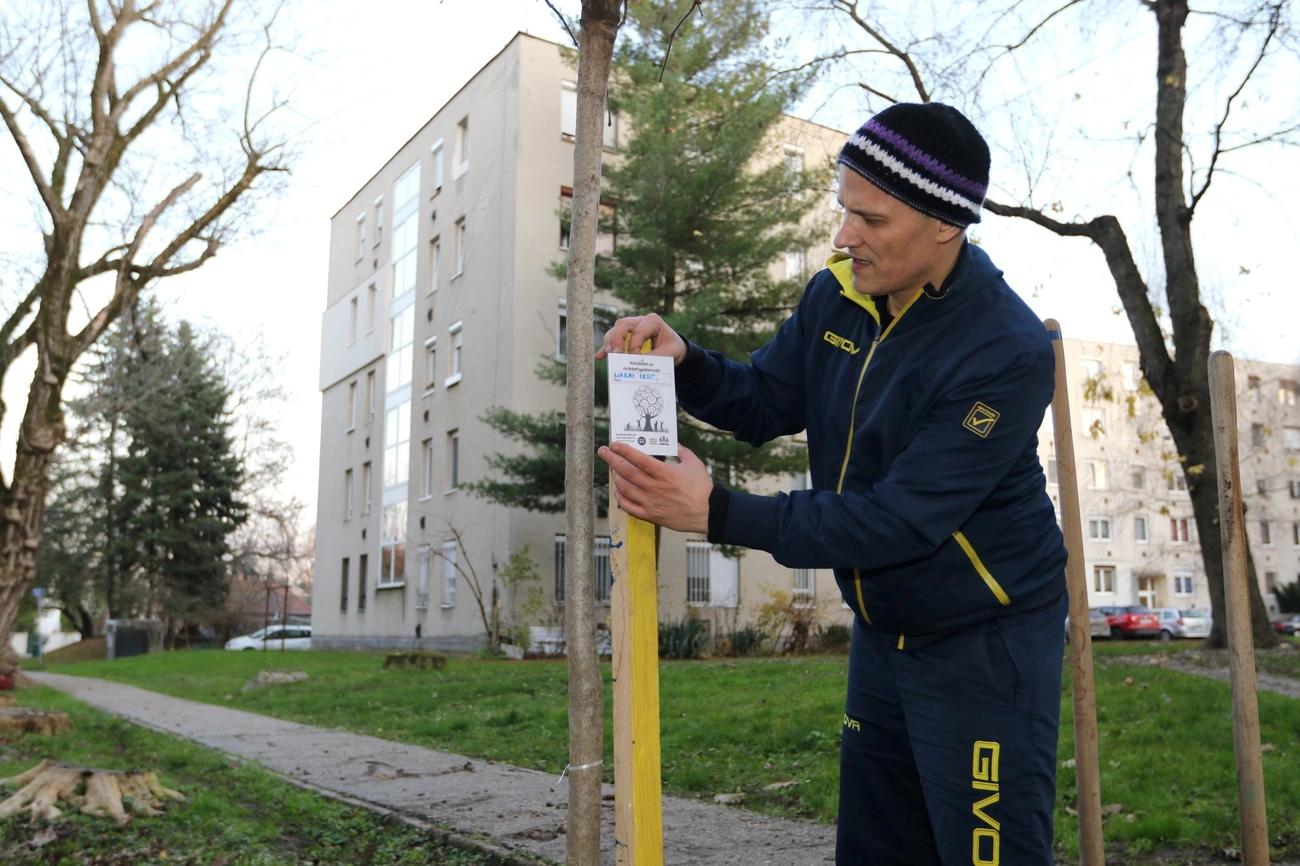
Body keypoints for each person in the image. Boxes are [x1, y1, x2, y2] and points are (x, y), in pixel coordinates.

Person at [596, 102, 1068, 865]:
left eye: (871, 219)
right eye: (844, 209)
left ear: (946, 225)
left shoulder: (1004, 349)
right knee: (875, 851)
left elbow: (899, 522)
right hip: (883, 629)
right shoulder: (837, 295)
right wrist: (689, 364)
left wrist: (717, 512)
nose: (844, 236)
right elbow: (765, 399)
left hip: (983, 638)